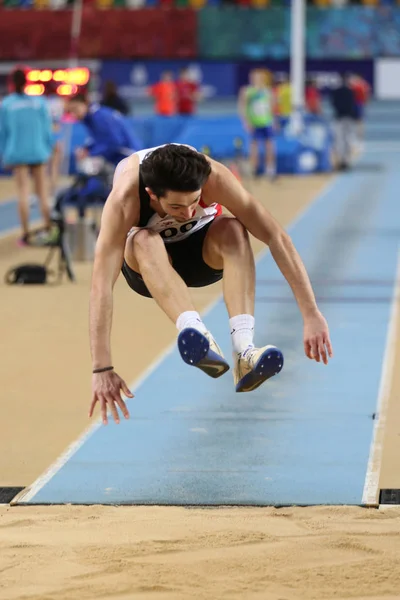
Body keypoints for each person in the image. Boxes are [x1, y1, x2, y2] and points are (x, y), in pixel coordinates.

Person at [88, 143, 333, 425]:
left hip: (202, 255)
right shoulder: (125, 199)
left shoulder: (215, 177)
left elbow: (276, 237)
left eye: (195, 201)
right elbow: (101, 284)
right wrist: (101, 368)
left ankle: (244, 350)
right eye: (176, 207)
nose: (189, 212)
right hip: (148, 266)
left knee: (234, 229)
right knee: (144, 240)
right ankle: (193, 331)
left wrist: (311, 313)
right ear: (151, 195)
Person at [0, 68, 54, 245]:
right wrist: (49, 148)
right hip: (38, 151)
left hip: (16, 152)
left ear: (11, 83)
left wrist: (4, 154)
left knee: (22, 192)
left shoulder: (6, 104)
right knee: (42, 192)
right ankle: (48, 229)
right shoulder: (39, 103)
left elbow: (2, 132)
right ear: (27, 82)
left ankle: (25, 234)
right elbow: (47, 129)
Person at [65, 94, 141, 168]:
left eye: (75, 109)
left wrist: (90, 153)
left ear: (85, 103)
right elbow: (98, 141)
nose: (73, 115)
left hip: (128, 156)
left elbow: (115, 142)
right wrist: (86, 149)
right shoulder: (91, 118)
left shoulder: (100, 116)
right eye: (71, 111)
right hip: (119, 159)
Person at [238, 68, 276, 179]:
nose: (257, 79)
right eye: (254, 77)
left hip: (266, 122)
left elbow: (272, 107)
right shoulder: (247, 91)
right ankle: (254, 169)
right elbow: (242, 106)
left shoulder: (268, 91)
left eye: (259, 77)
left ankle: (270, 170)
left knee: (269, 146)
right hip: (255, 123)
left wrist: (274, 120)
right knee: (254, 146)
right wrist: (246, 121)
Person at [330, 73, 357, 171]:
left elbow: (333, 103)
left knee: (340, 139)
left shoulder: (336, 92)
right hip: (348, 117)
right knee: (347, 139)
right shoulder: (350, 91)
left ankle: (342, 160)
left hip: (339, 117)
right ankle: (346, 160)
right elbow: (353, 104)